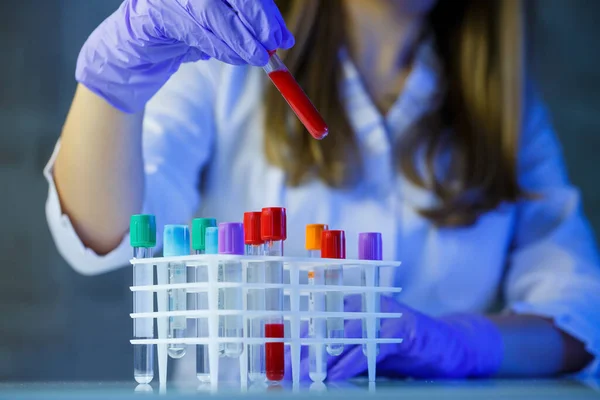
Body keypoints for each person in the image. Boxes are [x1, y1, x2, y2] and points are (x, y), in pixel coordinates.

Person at [45, 0, 600, 380]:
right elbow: (102, 236)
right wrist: (116, 74)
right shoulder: (221, 55)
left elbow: (581, 317)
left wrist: (460, 345)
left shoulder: (506, 112)